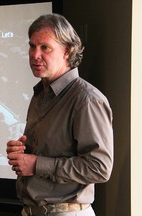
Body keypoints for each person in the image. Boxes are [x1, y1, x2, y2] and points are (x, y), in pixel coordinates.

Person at [6, 13, 113, 216]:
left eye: (45, 47)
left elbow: (100, 168)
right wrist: (22, 152)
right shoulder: (41, 93)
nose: (35, 55)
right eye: (32, 46)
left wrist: (37, 164)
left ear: (67, 51)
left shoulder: (86, 99)